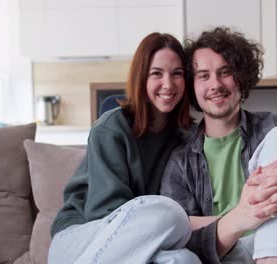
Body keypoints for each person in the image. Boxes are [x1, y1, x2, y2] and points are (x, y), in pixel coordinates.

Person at [160, 27, 277, 264]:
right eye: (204, 76)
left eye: (225, 72)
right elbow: (181, 240)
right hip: (229, 255)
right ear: (192, 86)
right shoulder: (181, 161)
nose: (215, 84)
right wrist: (239, 219)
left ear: (241, 76)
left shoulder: (274, 128)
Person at [48, 32, 202, 264]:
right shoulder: (111, 129)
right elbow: (105, 213)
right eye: (156, 74)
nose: (168, 84)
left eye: (177, 74)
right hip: (81, 236)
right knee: (170, 215)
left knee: (185, 260)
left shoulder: (184, 137)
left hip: (142, 239)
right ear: (141, 78)